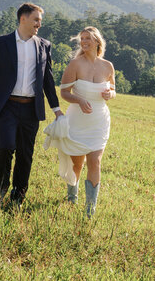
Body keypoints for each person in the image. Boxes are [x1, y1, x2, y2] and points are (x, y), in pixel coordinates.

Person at [0, 3, 62, 209]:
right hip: (6, 106)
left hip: (31, 108)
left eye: (40, 20)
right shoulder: (0, 43)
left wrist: (56, 108)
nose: (40, 24)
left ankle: (18, 196)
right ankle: (2, 186)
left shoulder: (44, 46)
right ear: (23, 19)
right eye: (36, 20)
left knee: (25, 153)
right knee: (5, 147)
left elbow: (48, 80)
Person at [43, 26, 115, 217]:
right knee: (77, 164)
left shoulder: (108, 66)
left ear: (97, 41)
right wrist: (80, 100)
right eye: (82, 38)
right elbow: (64, 92)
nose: (84, 42)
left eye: (88, 38)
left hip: (99, 121)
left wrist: (110, 93)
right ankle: (71, 196)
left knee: (95, 162)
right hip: (77, 120)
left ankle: (90, 210)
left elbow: (113, 90)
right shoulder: (75, 64)